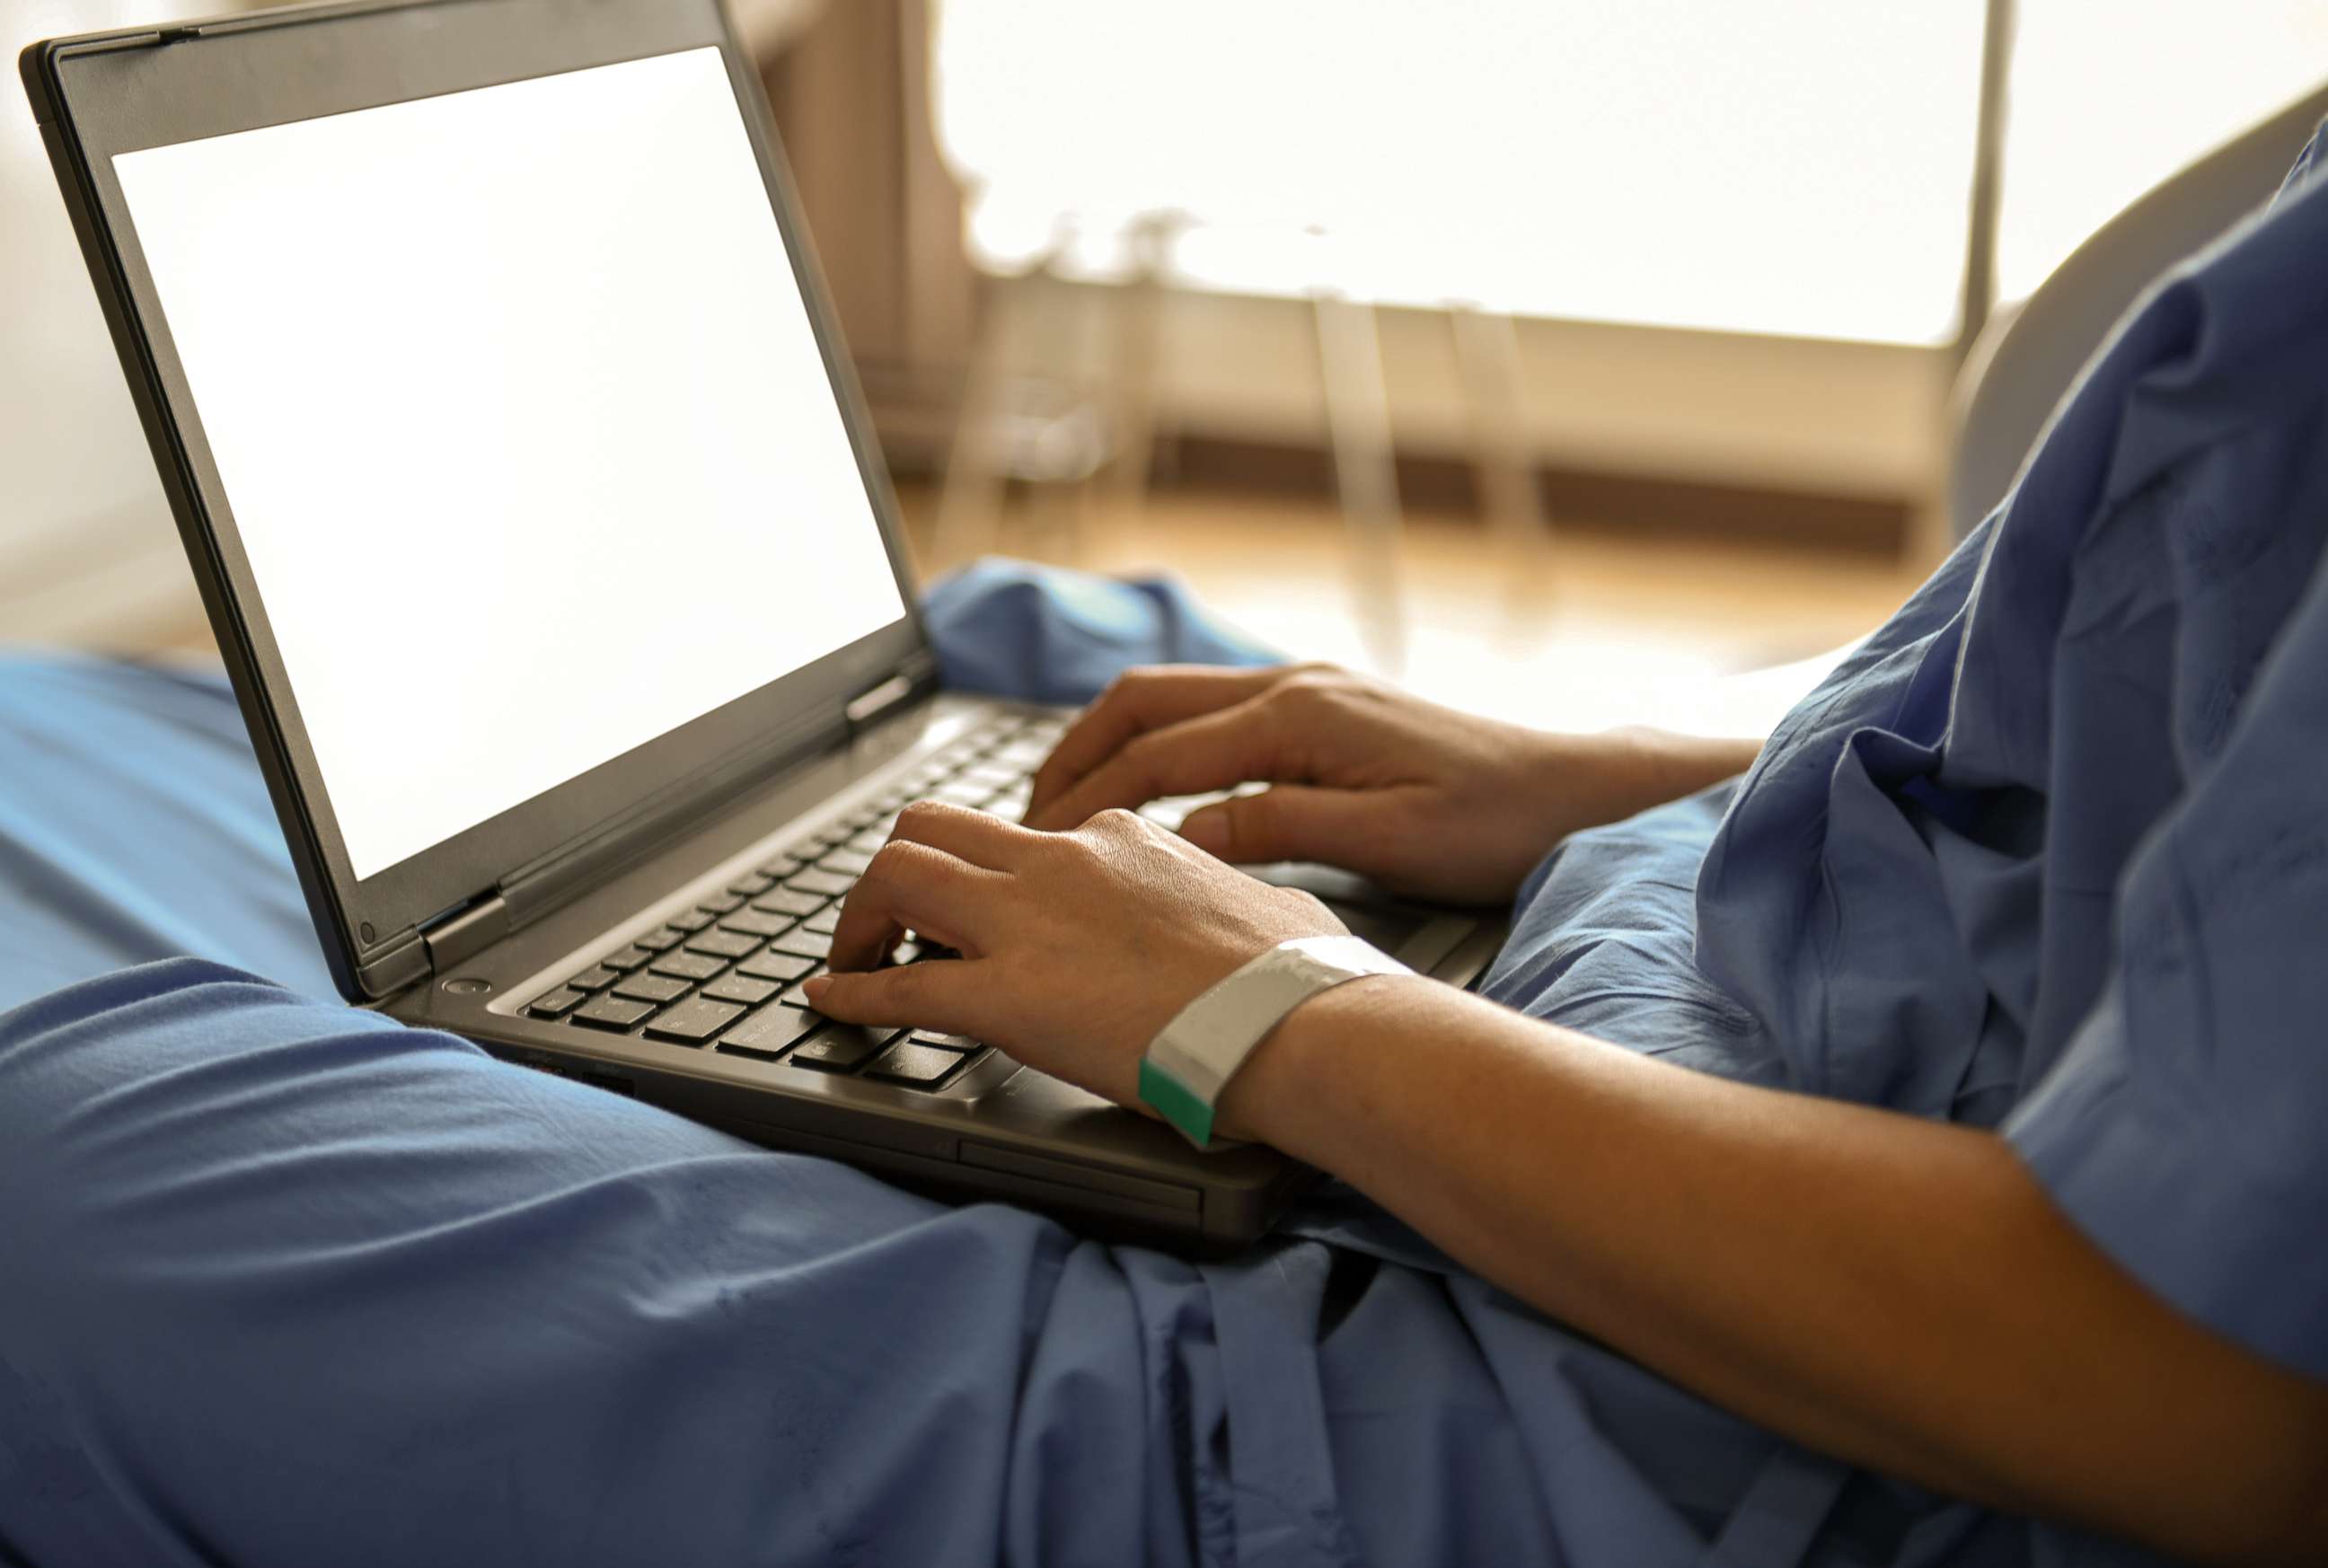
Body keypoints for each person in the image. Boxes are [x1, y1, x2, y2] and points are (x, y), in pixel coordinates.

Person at [4, 128, 2328, 1568]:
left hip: (1646, 1403)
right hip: (1738, 987)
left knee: (69, 1160)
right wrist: (1618, 772)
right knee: (1044, 651)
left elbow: (2209, 1413)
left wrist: (1271, 1013)